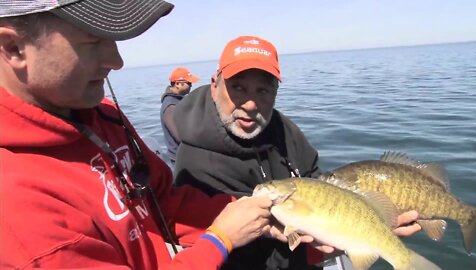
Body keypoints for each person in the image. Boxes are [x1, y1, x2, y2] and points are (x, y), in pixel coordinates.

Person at [0, 2, 313, 269]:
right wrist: (221, 239)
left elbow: (165, 202)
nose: (116, 61)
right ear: (13, 48)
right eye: (94, 41)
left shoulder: (102, 117)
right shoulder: (16, 204)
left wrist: (255, 216)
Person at [173, 35, 422, 269]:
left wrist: (356, 229)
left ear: (275, 93)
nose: (250, 104)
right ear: (215, 85)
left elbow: (320, 187)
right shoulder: (194, 165)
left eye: (263, 90)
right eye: (238, 87)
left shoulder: (285, 131)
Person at [161, 67, 199, 164]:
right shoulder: (171, 106)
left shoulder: (177, 100)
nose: (191, 86)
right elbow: (180, 136)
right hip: (181, 159)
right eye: (189, 83)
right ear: (177, 84)